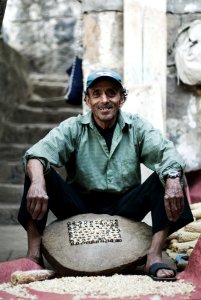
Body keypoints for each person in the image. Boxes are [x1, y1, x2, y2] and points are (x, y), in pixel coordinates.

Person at [18, 69, 193, 281]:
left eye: (111, 93)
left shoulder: (136, 127)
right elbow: (37, 153)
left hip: (125, 206)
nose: (104, 100)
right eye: (97, 93)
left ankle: (154, 256)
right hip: (79, 204)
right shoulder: (73, 127)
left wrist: (173, 180)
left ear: (121, 99)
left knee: (168, 175)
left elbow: (167, 154)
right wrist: (37, 182)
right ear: (87, 100)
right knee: (36, 169)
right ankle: (34, 255)